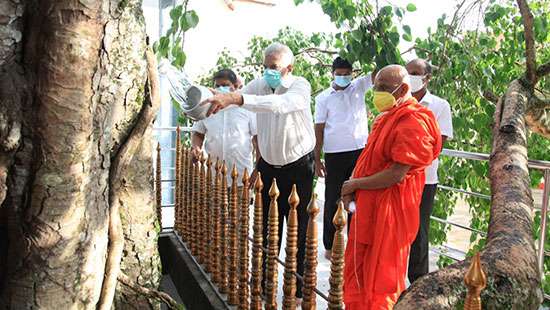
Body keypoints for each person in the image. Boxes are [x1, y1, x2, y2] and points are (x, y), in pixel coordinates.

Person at [202, 43, 315, 302]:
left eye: (273, 67)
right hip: (268, 168)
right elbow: (238, 97)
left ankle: (296, 289)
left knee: (298, 230)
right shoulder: (258, 85)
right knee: (264, 228)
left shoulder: (300, 85)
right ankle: (264, 283)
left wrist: (236, 98)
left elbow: (279, 104)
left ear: (289, 68)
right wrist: (213, 97)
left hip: (299, 167)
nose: (267, 72)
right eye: (264, 66)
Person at [340, 64, 442, 309]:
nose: (377, 93)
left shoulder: (413, 120)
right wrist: (354, 187)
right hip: (368, 206)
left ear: (403, 89)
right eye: (375, 87)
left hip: (392, 212)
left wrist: (354, 183)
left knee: (383, 279)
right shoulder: (385, 117)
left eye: (383, 88)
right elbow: (369, 159)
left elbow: (396, 174)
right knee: (360, 270)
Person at [314, 57, 374, 259]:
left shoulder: (359, 86)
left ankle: (355, 245)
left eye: (346, 74)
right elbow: (319, 128)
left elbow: (380, 70)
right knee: (333, 198)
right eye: (338, 74)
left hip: (359, 152)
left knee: (357, 198)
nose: (342, 77)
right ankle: (330, 246)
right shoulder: (323, 97)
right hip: (334, 154)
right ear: (332, 73)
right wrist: (317, 158)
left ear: (352, 73)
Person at [405, 59, 453, 283]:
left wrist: (409, 164)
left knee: (419, 232)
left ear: (427, 77)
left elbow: (437, 145)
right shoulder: (399, 102)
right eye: (408, 72)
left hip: (424, 179)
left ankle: (416, 284)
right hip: (397, 178)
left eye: (416, 73)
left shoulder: (440, 106)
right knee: (396, 228)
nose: (411, 76)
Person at [191, 69, 258, 187]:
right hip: (213, 177)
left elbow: (257, 140)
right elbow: (198, 133)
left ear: (235, 86)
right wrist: (196, 147)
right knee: (213, 206)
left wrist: (258, 168)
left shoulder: (246, 108)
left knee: (240, 206)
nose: (221, 88)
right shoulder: (207, 108)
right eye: (217, 85)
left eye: (225, 85)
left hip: (241, 177)